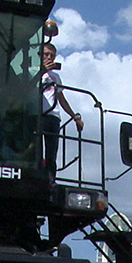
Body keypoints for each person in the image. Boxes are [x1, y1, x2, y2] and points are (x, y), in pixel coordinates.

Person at [40, 43, 84, 180]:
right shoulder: (32, 72)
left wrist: (75, 117)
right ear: (40, 56)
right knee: (35, 149)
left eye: (52, 56)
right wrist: (40, 72)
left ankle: (50, 179)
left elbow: (62, 99)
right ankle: (37, 174)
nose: (49, 58)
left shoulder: (56, 77)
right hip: (36, 115)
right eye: (46, 54)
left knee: (52, 152)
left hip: (53, 116)